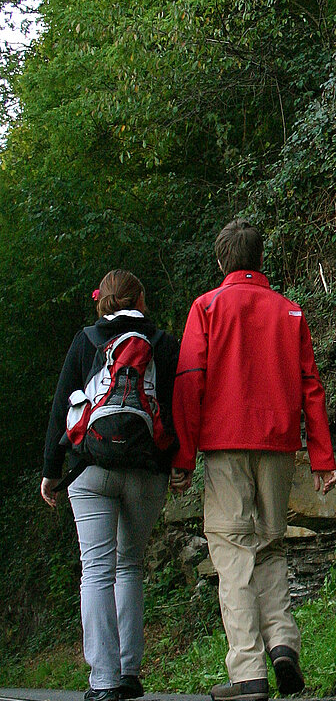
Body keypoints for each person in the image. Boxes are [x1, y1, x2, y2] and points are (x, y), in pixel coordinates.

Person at [170, 218, 336, 701]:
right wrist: (322, 457)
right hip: (280, 444)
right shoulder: (290, 311)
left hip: (224, 445)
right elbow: (311, 387)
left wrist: (183, 455)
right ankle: (283, 644)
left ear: (223, 261)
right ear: (261, 260)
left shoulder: (206, 307)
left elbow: (190, 381)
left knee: (232, 550)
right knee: (270, 544)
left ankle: (248, 671)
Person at [41, 270, 179, 701]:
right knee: (131, 566)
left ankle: (104, 681)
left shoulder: (87, 339)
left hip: (90, 468)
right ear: (140, 298)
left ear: (104, 300)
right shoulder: (161, 342)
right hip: (146, 469)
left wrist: (51, 469)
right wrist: (176, 461)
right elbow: (176, 405)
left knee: (97, 569)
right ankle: (130, 673)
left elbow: (63, 400)